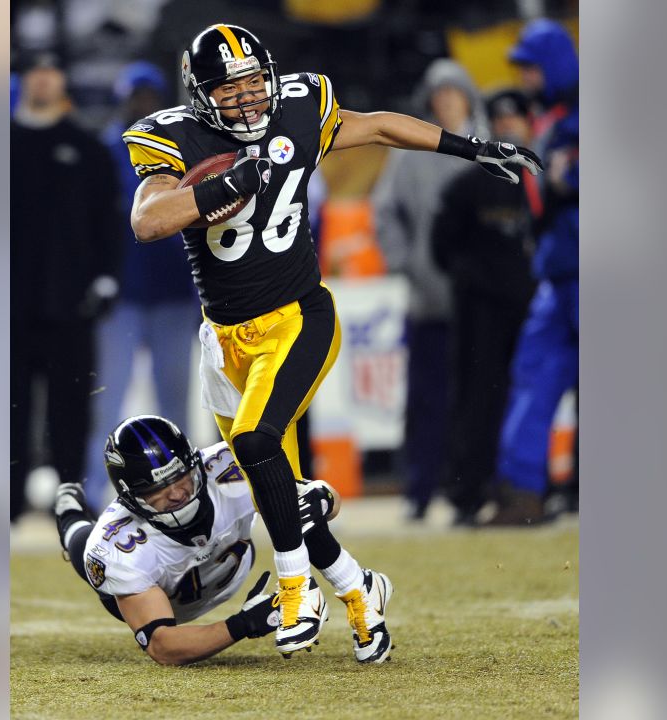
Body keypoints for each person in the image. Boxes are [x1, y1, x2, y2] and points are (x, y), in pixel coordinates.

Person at [120, 23, 542, 657]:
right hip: (225, 339)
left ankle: (297, 590)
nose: (248, 96)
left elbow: (375, 126)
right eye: (230, 88)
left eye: (254, 80)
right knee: (270, 485)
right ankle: (356, 586)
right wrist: (222, 185)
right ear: (201, 94)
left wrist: (470, 146)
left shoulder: (299, 104)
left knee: (259, 444)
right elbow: (148, 220)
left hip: (296, 316)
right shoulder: (173, 136)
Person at [53, 415, 383, 665]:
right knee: (85, 553)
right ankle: (69, 514)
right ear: (130, 497)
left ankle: (360, 585)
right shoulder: (116, 546)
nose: (177, 493)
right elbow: (163, 646)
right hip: (167, 600)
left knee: (298, 509)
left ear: (195, 463)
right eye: (157, 490)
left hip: (232, 563)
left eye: (180, 476)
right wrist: (245, 624)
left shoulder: (230, 466)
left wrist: (322, 497)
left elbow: (326, 499)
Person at [81, 61, 202, 513]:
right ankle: (96, 492)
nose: (143, 104)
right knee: (107, 398)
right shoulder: (108, 151)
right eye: (137, 96)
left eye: (149, 96)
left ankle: (183, 490)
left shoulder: (180, 147)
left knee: (176, 401)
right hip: (124, 296)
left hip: (172, 292)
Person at [372, 58, 488, 522]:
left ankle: (475, 489)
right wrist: (405, 263)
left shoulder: (490, 144)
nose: (444, 102)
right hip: (429, 297)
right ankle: (419, 490)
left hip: (483, 297)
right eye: (437, 95)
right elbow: (384, 212)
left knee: (482, 394)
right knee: (425, 398)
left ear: (466, 97)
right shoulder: (410, 150)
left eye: (452, 93)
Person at [10, 52, 120, 520]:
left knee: (71, 410)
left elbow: (109, 221)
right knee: (6, 409)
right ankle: (7, 502)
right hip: (7, 305)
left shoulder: (87, 148)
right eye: (35, 73)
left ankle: (71, 502)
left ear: (62, 83)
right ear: (24, 81)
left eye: (51, 73)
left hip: (70, 305)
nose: (42, 81)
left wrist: (107, 278)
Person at [431, 89, 539, 526]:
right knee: (478, 400)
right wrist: (471, 281)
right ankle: (469, 491)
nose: (509, 124)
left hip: (534, 310)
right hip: (481, 314)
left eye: (517, 117)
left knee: (531, 400)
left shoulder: (549, 180)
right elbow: (442, 248)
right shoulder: (467, 186)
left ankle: (530, 490)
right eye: (501, 119)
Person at [491, 20, 579, 525]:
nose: (524, 76)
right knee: (531, 377)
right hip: (559, 272)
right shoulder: (549, 118)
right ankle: (522, 496)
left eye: (530, 66)